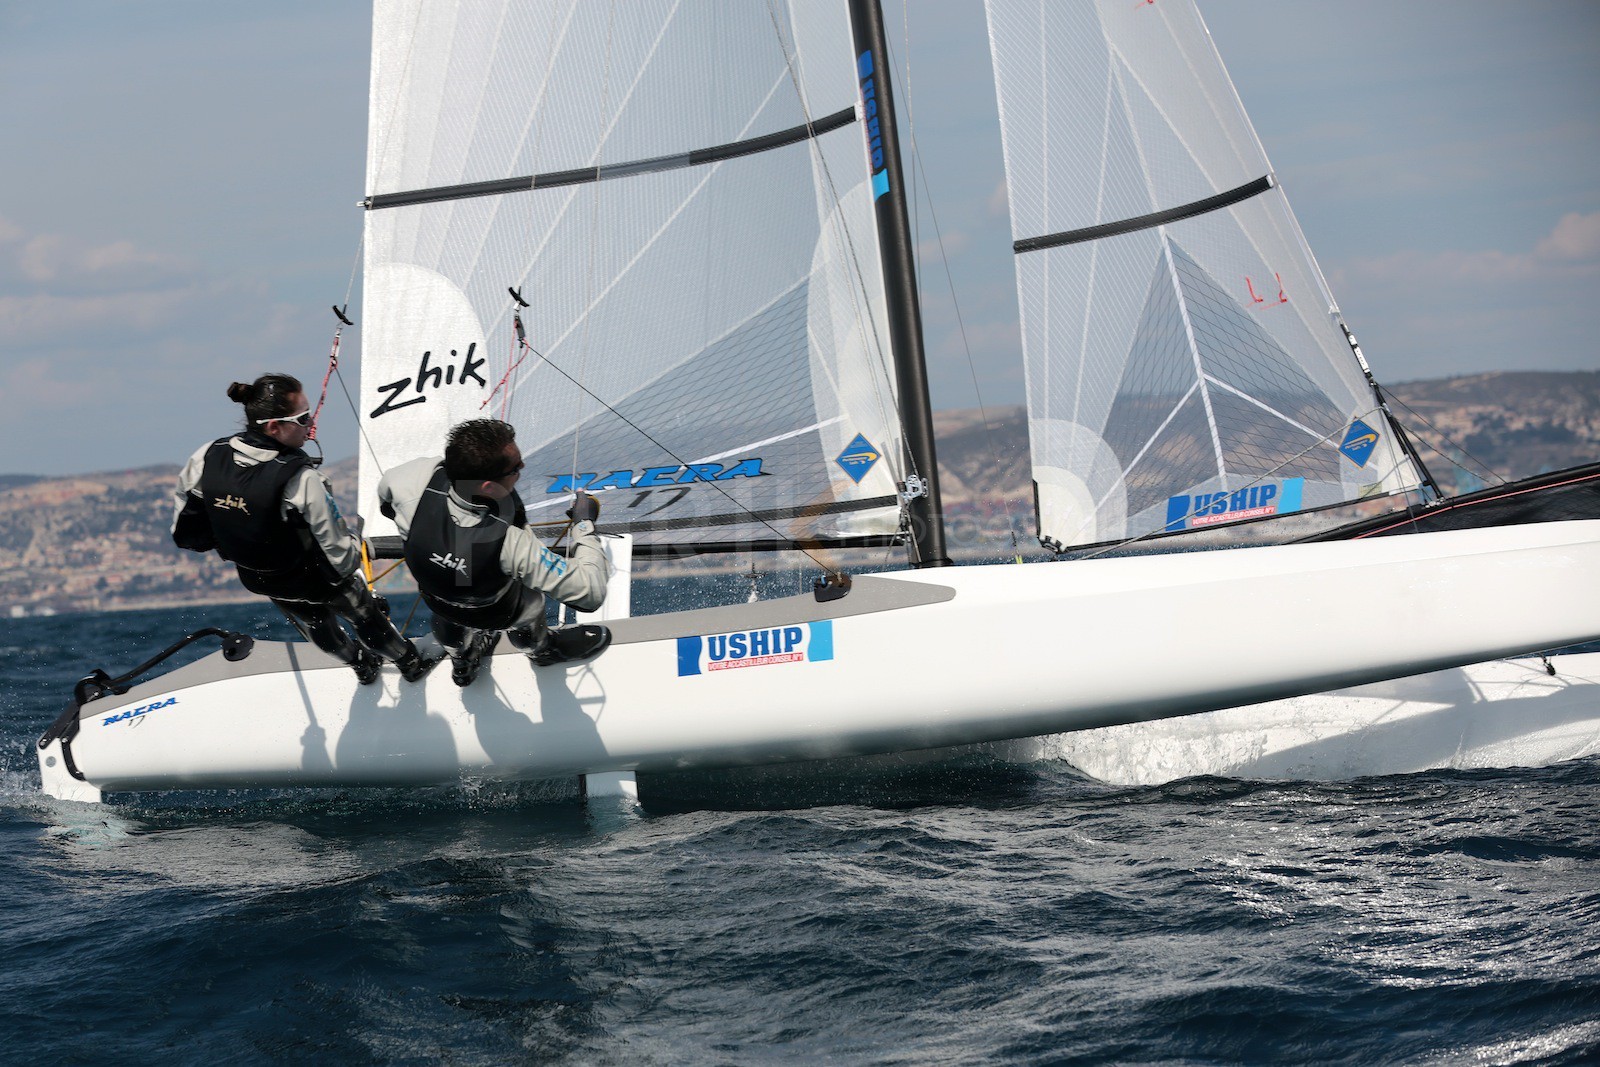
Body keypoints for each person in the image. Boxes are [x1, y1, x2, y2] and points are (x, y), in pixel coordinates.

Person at [172, 373, 438, 684]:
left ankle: (360, 666)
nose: (312, 424)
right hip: (314, 579)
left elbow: (185, 532)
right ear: (274, 427)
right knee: (364, 614)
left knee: (316, 622)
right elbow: (339, 555)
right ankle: (409, 663)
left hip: (258, 578)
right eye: (303, 418)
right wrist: (361, 553)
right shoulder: (302, 479)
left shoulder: (206, 456)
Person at [377, 418, 611, 687]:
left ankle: (463, 660)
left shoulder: (406, 480)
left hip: (437, 600)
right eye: (516, 468)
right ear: (489, 487)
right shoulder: (511, 544)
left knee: (449, 608)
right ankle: (541, 650)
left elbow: (386, 504)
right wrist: (584, 524)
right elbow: (589, 593)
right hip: (498, 612)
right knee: (531, 604)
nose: (522, 467)